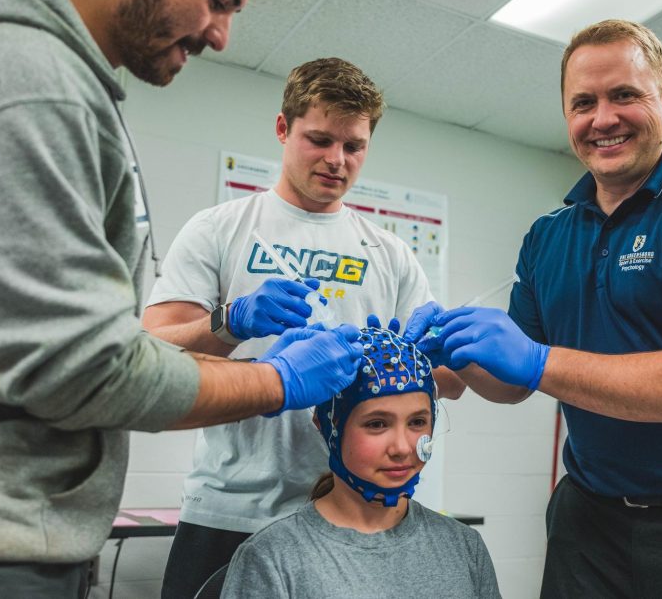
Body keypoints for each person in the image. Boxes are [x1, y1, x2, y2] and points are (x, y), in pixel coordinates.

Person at [0, 0, 364, 596]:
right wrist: (276, 379)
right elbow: (87, 369)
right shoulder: (29, 81)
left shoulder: (67, 87)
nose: (221, 34)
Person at [406, 19, 662, 598]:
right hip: (589, 520)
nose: (603, 118)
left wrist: (537, 359)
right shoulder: (547, 235)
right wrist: (453, 355)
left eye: (625, 95)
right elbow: (513, 381)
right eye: (583, 103)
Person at [142, 56, 465, 597]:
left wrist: (430, 354)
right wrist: (229, 322)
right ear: (282, 129)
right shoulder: (220, 229)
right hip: (231, 508)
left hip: (349, 510)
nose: (337, 160)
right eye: (319, 140)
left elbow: (447, 385)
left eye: (354, 146)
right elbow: (148, 354)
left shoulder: (388, 253)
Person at [221, 324, 500, 599]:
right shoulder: (272, 559)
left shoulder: (464, 547)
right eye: (377, 424)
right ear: (327, 426)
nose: (402, 448)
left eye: (417, 422)